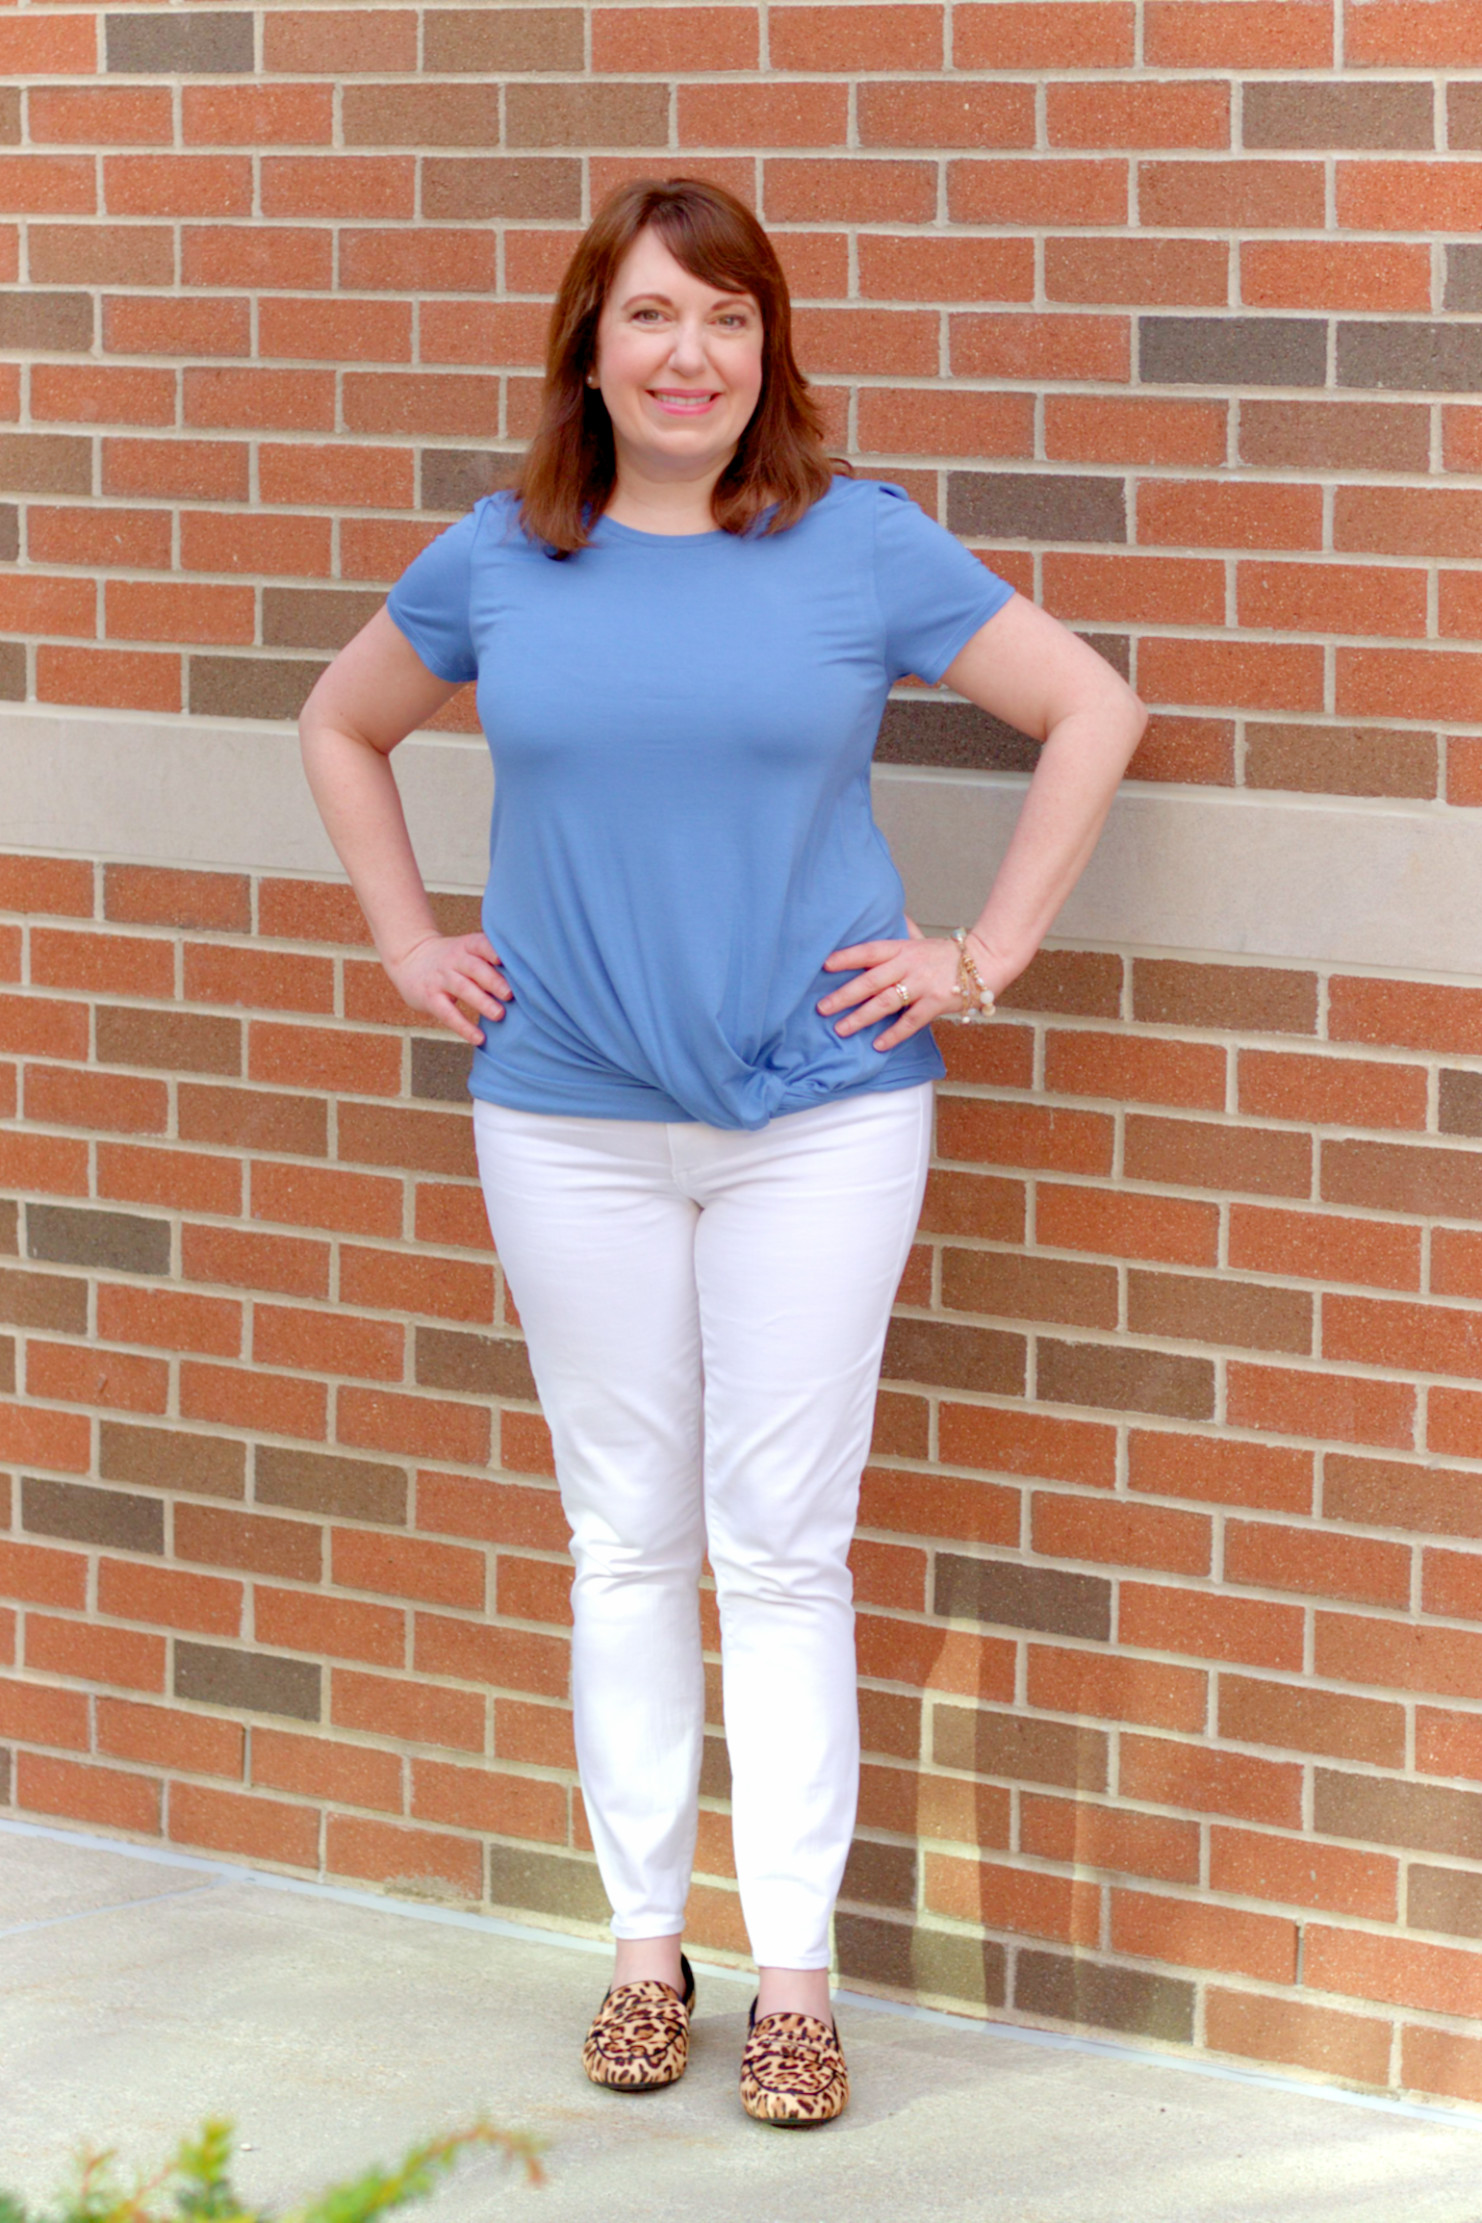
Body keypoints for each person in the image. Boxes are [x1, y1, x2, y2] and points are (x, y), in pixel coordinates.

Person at [299, 175, 1145, 2129]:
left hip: (818, 1117)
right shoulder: (510, 554)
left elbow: (1090, 706)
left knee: (782, 1544)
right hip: (571, 1112)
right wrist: (411, 939)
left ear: (769, 350)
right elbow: (344, 725)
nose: (692, 356)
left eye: (729, 321)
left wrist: (980, 953)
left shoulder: (855, 542)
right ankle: (641, 1948)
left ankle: (794, 1979)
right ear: (589, 346)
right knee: (622, 1532)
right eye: (655, 318)